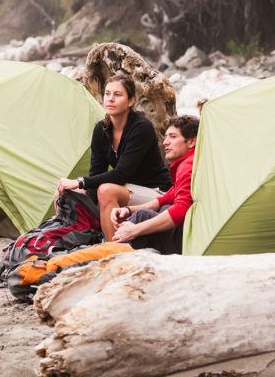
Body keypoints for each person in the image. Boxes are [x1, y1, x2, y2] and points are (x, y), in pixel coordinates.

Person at [55, 73, 172, 241]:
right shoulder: (101, 130)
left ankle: (113, 249)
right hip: (125, 188)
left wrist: (79, 181)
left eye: (118, 95)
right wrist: (83, 202)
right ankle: (77, 238)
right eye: (107, 94)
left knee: (105, 190)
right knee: (63, 193)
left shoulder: (141, 128)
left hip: (156, 191)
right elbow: (96, 172)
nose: (110, 99)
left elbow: (121, 174)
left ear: (131, 101)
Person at [110, 114, 199, 254]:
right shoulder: (190, 161)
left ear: (191, 141)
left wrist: (135, 230)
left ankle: (111, 257)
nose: (165, 142)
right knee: (156, 209)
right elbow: (164, 199)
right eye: (166, 136)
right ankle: (113, 251)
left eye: (173, 137)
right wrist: (128, 210)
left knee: (142, 218)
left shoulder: (188, 165)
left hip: (191, 240)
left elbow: (181, 210)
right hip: (189, 233)